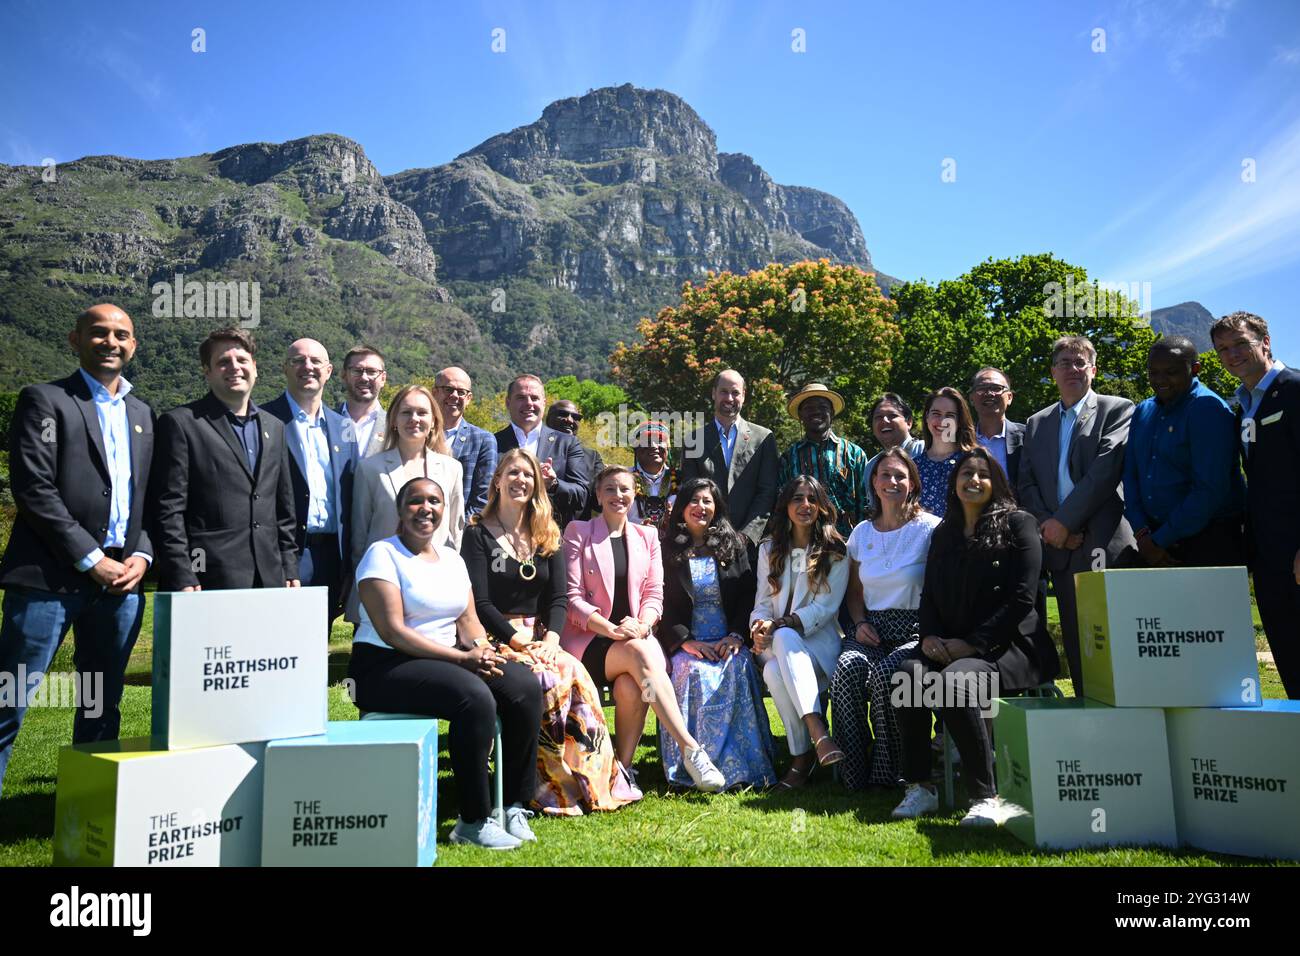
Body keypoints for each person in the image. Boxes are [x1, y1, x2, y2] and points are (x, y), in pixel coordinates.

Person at [0, 304, 154, 793]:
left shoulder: (143, 414)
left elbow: (151, 497)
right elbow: (33, 489)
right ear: (75, 339)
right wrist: (92, 559)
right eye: (99, 333)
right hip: (48, 581)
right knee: (10, 701)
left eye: (122, 334)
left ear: (133, 345)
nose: (111, 341)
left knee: (100, 704)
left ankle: (86, 816)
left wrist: (142, 556)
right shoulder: (44, 401)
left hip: (121, 587)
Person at [349, 476, 543, 849]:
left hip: (448, 661)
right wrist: (463, 660)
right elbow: (394, 631)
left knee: (522, 686)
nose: (426, 509)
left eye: (435, 501)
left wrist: (483, 651)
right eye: (416, 501)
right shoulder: (382, 554)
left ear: (444, 509)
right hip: (384, 666)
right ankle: (472, 820)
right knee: (472, 696)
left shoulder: (452, 558)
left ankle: (512, 805)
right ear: (401, 510)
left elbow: (468, 622)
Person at [461, 449, 639, 814]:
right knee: (542, 680)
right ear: (497, 481)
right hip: (495, 637)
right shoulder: (477, 533)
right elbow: (480, 603)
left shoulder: (546, 534)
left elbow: (559, 599)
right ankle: (546, 786)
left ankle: (588, 779)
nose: (520, 480)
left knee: (573, 672)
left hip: (542, 638)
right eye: (512, 473)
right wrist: (519, 641)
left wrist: (552, 640)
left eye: (528, 475)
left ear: (536, 484)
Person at [890, 448, 1059, 825]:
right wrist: (930, 637)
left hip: (1009, 646)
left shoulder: (1020, 524)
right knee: (908, 674)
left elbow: (1022, 598)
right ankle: (921, 787)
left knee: (956, 682)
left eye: (983, 474)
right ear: (955, 483)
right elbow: (930, 594)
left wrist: (974, 643)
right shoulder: (944, 533)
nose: (974, 480)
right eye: (966, 473)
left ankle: (985, 795)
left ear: (995, 483)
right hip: (951, 644)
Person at [561, 465, 726, 793]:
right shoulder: (578, 532)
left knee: (631, 688)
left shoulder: (647, 536)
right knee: (639, 652)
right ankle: (691, 749)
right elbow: (572, 598)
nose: (618, 496)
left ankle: (622, 771)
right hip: (591, 641)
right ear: (597, 495)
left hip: (635, 640)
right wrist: (611, 629)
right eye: (610, 489)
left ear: (634, 493)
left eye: (624, 489)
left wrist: (642, 623)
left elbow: (654, 594)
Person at [1018, 335, 1134, 697]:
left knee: (1118, 647)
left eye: (1080, 362)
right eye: (1065, 362)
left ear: (1093, 369)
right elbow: (1027, 484)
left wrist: (1062, 522)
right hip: (1060, 549)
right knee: (1081, 646)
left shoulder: (1117, 409)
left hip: (1104, 543)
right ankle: (1090, 731)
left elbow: (1105, 471)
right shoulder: (1036, 423)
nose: (1073, 369)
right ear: (1053, 372)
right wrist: (1050, 528)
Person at [151, 328, 300, 591]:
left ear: (255, 367)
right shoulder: (181, 424)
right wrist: (182, 572)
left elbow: (283, 508)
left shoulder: (275, 427)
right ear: (207, 371)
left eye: (242, 360)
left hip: (269, 577)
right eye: (222, 362)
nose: (234, 368)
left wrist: (288, 566)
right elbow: (168, 509)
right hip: (206, 577)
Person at [829, 449, 941, 789]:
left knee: (887, 674)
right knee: (847, 669)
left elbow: (942, 591)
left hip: (916, 630)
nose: (892, 482)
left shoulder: (931, 529)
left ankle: (893, 770)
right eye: (884, 476)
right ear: (874, 484)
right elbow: (854, 591)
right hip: (870, 629)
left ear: (912, 483)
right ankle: (854, 771)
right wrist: (860, 623)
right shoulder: (862, 532)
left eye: (900, 476)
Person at [657, 477, 774, 789]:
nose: (701, 507)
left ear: (717, 508)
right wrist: (685, 642)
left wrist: (736, 635)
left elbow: (748, 595)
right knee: (688, 671)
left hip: (728, 639)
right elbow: (661, 602)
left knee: (736, 667)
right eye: (694, 500)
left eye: (707, 501)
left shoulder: (734, 545)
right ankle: (693, 765)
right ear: (681, 508)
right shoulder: (665, 550)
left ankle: (739, 766)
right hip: (688, 641)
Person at [1211, 312, 1299, 697]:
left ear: (1266, 341)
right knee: (1291, 664)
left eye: (1240, 344)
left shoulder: (1294, 389)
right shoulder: (1244, 405)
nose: (1232, 355)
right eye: (1222, 350)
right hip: (1268, 556)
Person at [751, 476, 849, 789]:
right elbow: (763, 603)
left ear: (821, 506)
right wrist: (758, 626)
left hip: (820, 648)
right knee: (775, 662)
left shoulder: (835, 549)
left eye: (811, 498)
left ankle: (802, 757)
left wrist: (780, 625)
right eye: (797, 498)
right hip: (779, 645)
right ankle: (815, 736)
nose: (804, 505)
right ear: (786, 506)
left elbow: (825, 609)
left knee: (777, 657)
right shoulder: (769, 548)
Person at [1119, 336, 1244, 569]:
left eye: (1171, 372)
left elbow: (1209, 489)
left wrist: (1159, 540)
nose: (1160, 380)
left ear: (1195, 369)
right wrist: (1143, 534)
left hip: (1210, 540)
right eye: (1153, 373)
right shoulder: (1143, 410)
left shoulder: (1207, 409)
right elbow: (1131, 474)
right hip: (1154, 541)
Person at [348, 384, 464, 619]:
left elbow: (455, 531)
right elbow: (359, 535)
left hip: (434, 588)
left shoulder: (452, 469)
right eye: (406, 412)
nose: (414, 419)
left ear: (433, 421)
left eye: (422, 413)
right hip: (384, 584)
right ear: (393, 420)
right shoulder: (370, 469)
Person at [263, 339, 354, 620]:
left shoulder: (343, 428)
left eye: (315, 362)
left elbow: (349, 499)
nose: (307, 367)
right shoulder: (263, 419)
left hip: (332, 558)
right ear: (285, 368)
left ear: (328, 371)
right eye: (298, 361)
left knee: (317, 649)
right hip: (284, 553)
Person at [678, 370, 779, 556]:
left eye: (735, 392)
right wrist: (705, 536)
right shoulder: (694, 439)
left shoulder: (764, 438)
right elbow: (690, 491)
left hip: (751, 547)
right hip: (705, 543)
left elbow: (767, 492)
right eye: (724, 392)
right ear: (713, 393)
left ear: (744, 395)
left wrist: (746, 536)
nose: (729, 398)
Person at [495, 375, 589, 528]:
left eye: (534, 398)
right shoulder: (492, 443)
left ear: (544, 403)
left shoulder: (567, 443)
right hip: (501, 534)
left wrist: (555, 484)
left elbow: (582, 495)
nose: (529, 404)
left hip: (549, 537)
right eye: (521, 398)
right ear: (507, 402)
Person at [779, 384, 870, 537]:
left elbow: (866, 501)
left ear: (832, 412)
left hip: (849, 542)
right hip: (803, 541)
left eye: (822, 406)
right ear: (800, 415)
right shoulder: (789, 458)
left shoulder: (855, 454)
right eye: (808, 407)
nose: (816, 411)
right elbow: (782, 503)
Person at [435, 366, 497, 515]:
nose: (454, 396)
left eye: (461, 392)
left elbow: (483, 500)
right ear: (434, 392)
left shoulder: (483, 440)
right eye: (448, 389)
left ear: (468, 399)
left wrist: (458, 534)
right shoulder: (419, 433)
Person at [915, 386, 977, 518]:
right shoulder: (914, 466)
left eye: (950, 415)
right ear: (927, 417)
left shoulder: (972, 462)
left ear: (959, 421)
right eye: (936, 414)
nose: (943, 421)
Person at [862, 393, 926, 513]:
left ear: (909, 422)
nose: (885, 421)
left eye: (892, 415)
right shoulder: (871, 466)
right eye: (878, 417)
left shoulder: (925, 450)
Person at [545, 399, 605, 520]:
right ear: (547, 419)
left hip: (578, 533)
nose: (569, 420)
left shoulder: (592, 457)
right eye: (562, 414)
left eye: (576, 417)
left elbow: (599, 504)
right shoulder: (536, 448)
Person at [969, 367, 1025, 487]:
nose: (989, 393)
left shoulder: (1028, 437)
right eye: (981, 389)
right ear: (972, 399)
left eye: (996, 388)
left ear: (1009, 397)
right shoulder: (961, 439)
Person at [336, 346, 388, 460]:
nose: (364, 378)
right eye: (357, 371)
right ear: (344, 375)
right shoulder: (324, 423)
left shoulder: (395, 427)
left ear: (383, 378)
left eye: (372, 372)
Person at [627, 419, 678, 528]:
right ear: (636, 449)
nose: (654, 446)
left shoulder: (681, 480)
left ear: (668, 449)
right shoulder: (623, 478)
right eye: (647, 441)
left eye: (660, 440)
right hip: (632, 542)